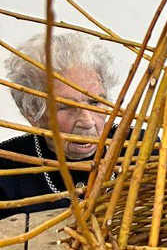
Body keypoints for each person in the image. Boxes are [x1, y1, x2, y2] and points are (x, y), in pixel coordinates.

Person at [2, 33, 116, 213]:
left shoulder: (142, 148)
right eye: (66, 107)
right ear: (32, 113)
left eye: (95, 102)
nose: (87, 121)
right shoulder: (6, 171)